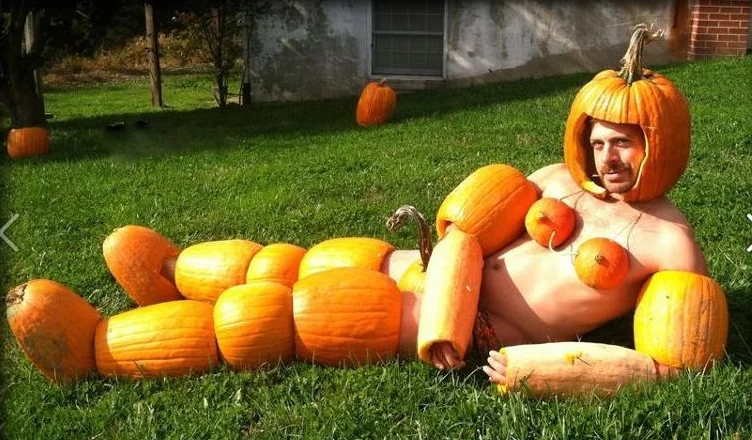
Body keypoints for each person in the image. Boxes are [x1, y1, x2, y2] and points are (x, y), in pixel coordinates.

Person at [384, 118, 708, 384]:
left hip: (489, 326)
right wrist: (450, 258)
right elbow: (480, 219)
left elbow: (683, 360)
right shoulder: (557, 177)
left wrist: (541, 369)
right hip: (454, 274)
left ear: (655, 143)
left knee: (364, 310)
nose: (607, 158)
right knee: (371, 260)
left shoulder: (670, 242)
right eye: (598, 144)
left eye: (621, 142)